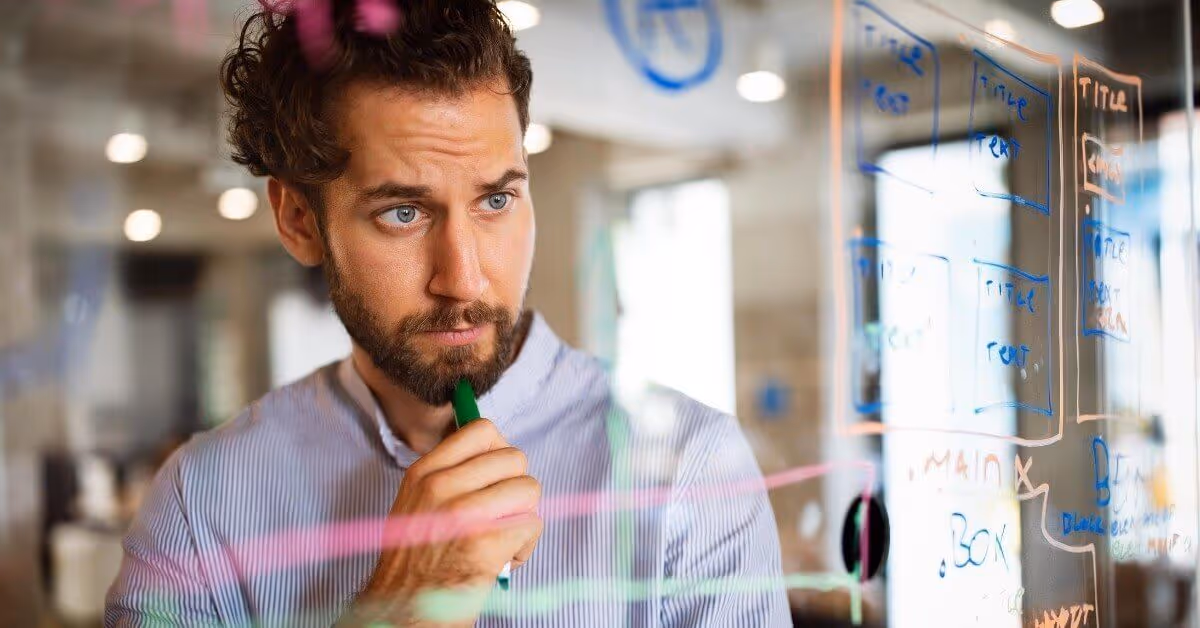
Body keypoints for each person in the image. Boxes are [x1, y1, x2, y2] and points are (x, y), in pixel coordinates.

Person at [104, 1, 788, 625]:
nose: (464, 278)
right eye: (403, 212)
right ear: (298, 221)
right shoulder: (202, 504)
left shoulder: (689, 473)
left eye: (496, 201)